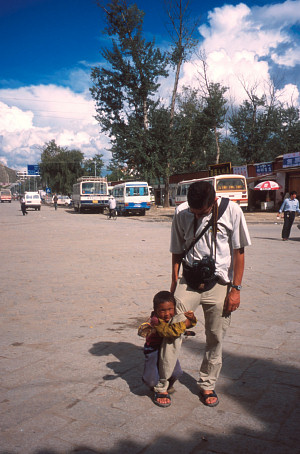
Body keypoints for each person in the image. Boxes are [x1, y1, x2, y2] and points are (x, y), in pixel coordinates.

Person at [154, 181, 251, 407]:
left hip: (219, 283)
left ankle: (207, 383)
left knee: (215, 337)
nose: (196, 215)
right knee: (171, 331)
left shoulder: (232, 211)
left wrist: (235, 289)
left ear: (213, 202)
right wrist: (173, 283)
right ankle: (163, 382)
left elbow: (239, 253)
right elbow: (177, 250)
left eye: (202, 212)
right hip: (187, 281)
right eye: (193, 211)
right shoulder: (181, 212)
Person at [138, 290, 197, 407]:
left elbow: (187, 323)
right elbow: (169, 331)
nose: (167, 314)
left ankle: (165, 386)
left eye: (170, 309)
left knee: (176, 372)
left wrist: (192, 318)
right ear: (155, 311)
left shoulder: (175, 316)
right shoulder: (155, 320)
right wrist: (185, 324)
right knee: (150, 380)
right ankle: (157, 387)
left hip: (169, 349)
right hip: (154, 350)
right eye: (162, 310)